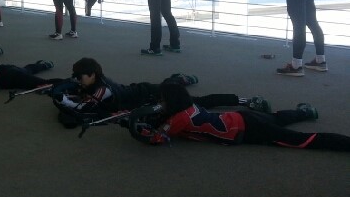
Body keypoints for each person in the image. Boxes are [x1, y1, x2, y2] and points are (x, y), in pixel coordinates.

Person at [52, 57, 268, 128]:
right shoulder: (95, 82)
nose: (78, 79)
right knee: (170, 84)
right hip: (141, 91)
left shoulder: (103, 90)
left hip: (150, 95)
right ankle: (178, 79)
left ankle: (246, 101)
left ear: (92, 75)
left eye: (80, 76)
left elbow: (83, 107)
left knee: (199, 102)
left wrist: (64, 100)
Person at [141, 82, 350, 151]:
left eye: (163, 99)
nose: (162, 103)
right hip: (241, 118)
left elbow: (157, 138)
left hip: (246, 130)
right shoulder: (190, 106)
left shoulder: (178, 119)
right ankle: (305, 112)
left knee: (300, 140)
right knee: (276, 117)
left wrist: (140, 126)